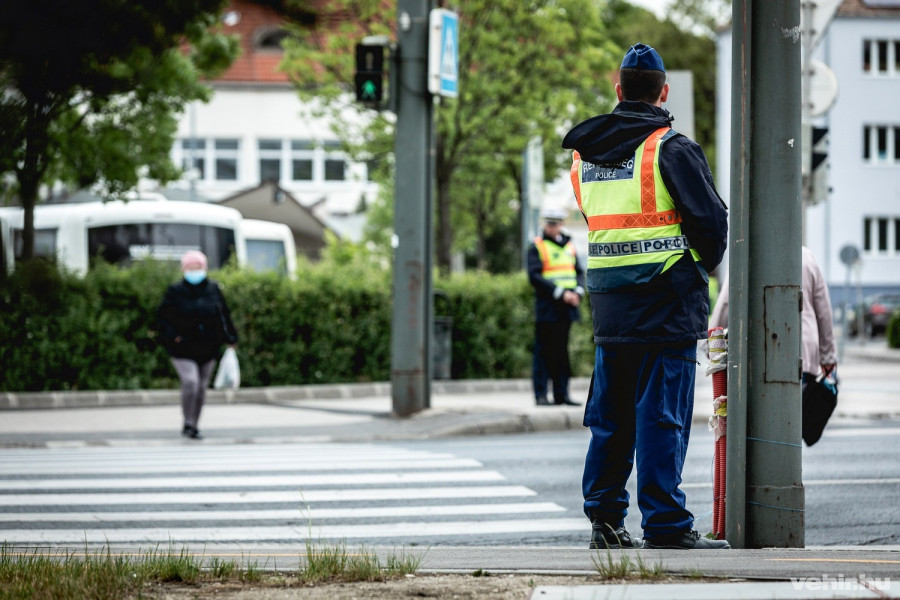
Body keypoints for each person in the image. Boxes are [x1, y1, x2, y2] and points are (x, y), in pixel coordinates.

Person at [561, 43, 730, 550]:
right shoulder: (671, 148)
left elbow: (600, 223)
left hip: (611, 310)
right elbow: (713, 224)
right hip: (667, 308)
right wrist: (693, 266)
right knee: (662, 418)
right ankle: (665, 525)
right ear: (663, 92)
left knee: (610, 422)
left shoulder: (583, 156)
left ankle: (606, 524)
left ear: (618, 91)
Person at [709, 246, 837, 386]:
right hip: (804, 350)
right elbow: (823, 312)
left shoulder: (748, 254)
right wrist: (828, 356)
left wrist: (712, 344)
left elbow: (727, 303)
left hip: (762, 352)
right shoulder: (807, 257)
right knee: (803, 405)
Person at [158, 250, 238, 440]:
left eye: (198, 267)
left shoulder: (213, 289)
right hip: (182, 347)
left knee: (201, 387)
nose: (195, 271)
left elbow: (223, 315)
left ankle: (194, 424)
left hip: (208, 346)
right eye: (191, 267)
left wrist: (230, 338)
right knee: (191, 382)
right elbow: (163, 318)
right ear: (184, 269)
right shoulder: (175, 291)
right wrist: (173, 337)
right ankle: (187, 421)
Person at [527, 206, 586, 406]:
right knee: (543, 352)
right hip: (548, 307)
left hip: (567, 308)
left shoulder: (569, 246)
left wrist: (578, 291)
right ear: (545, 224)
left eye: (556, 223)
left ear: (561, 224)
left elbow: (579, 271)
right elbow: (534, 276)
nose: (553, 227)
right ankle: (541, 394)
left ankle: (562, 394)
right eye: (550, 223)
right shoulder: (537, 246)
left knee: (561, 352)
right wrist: (561, 293)